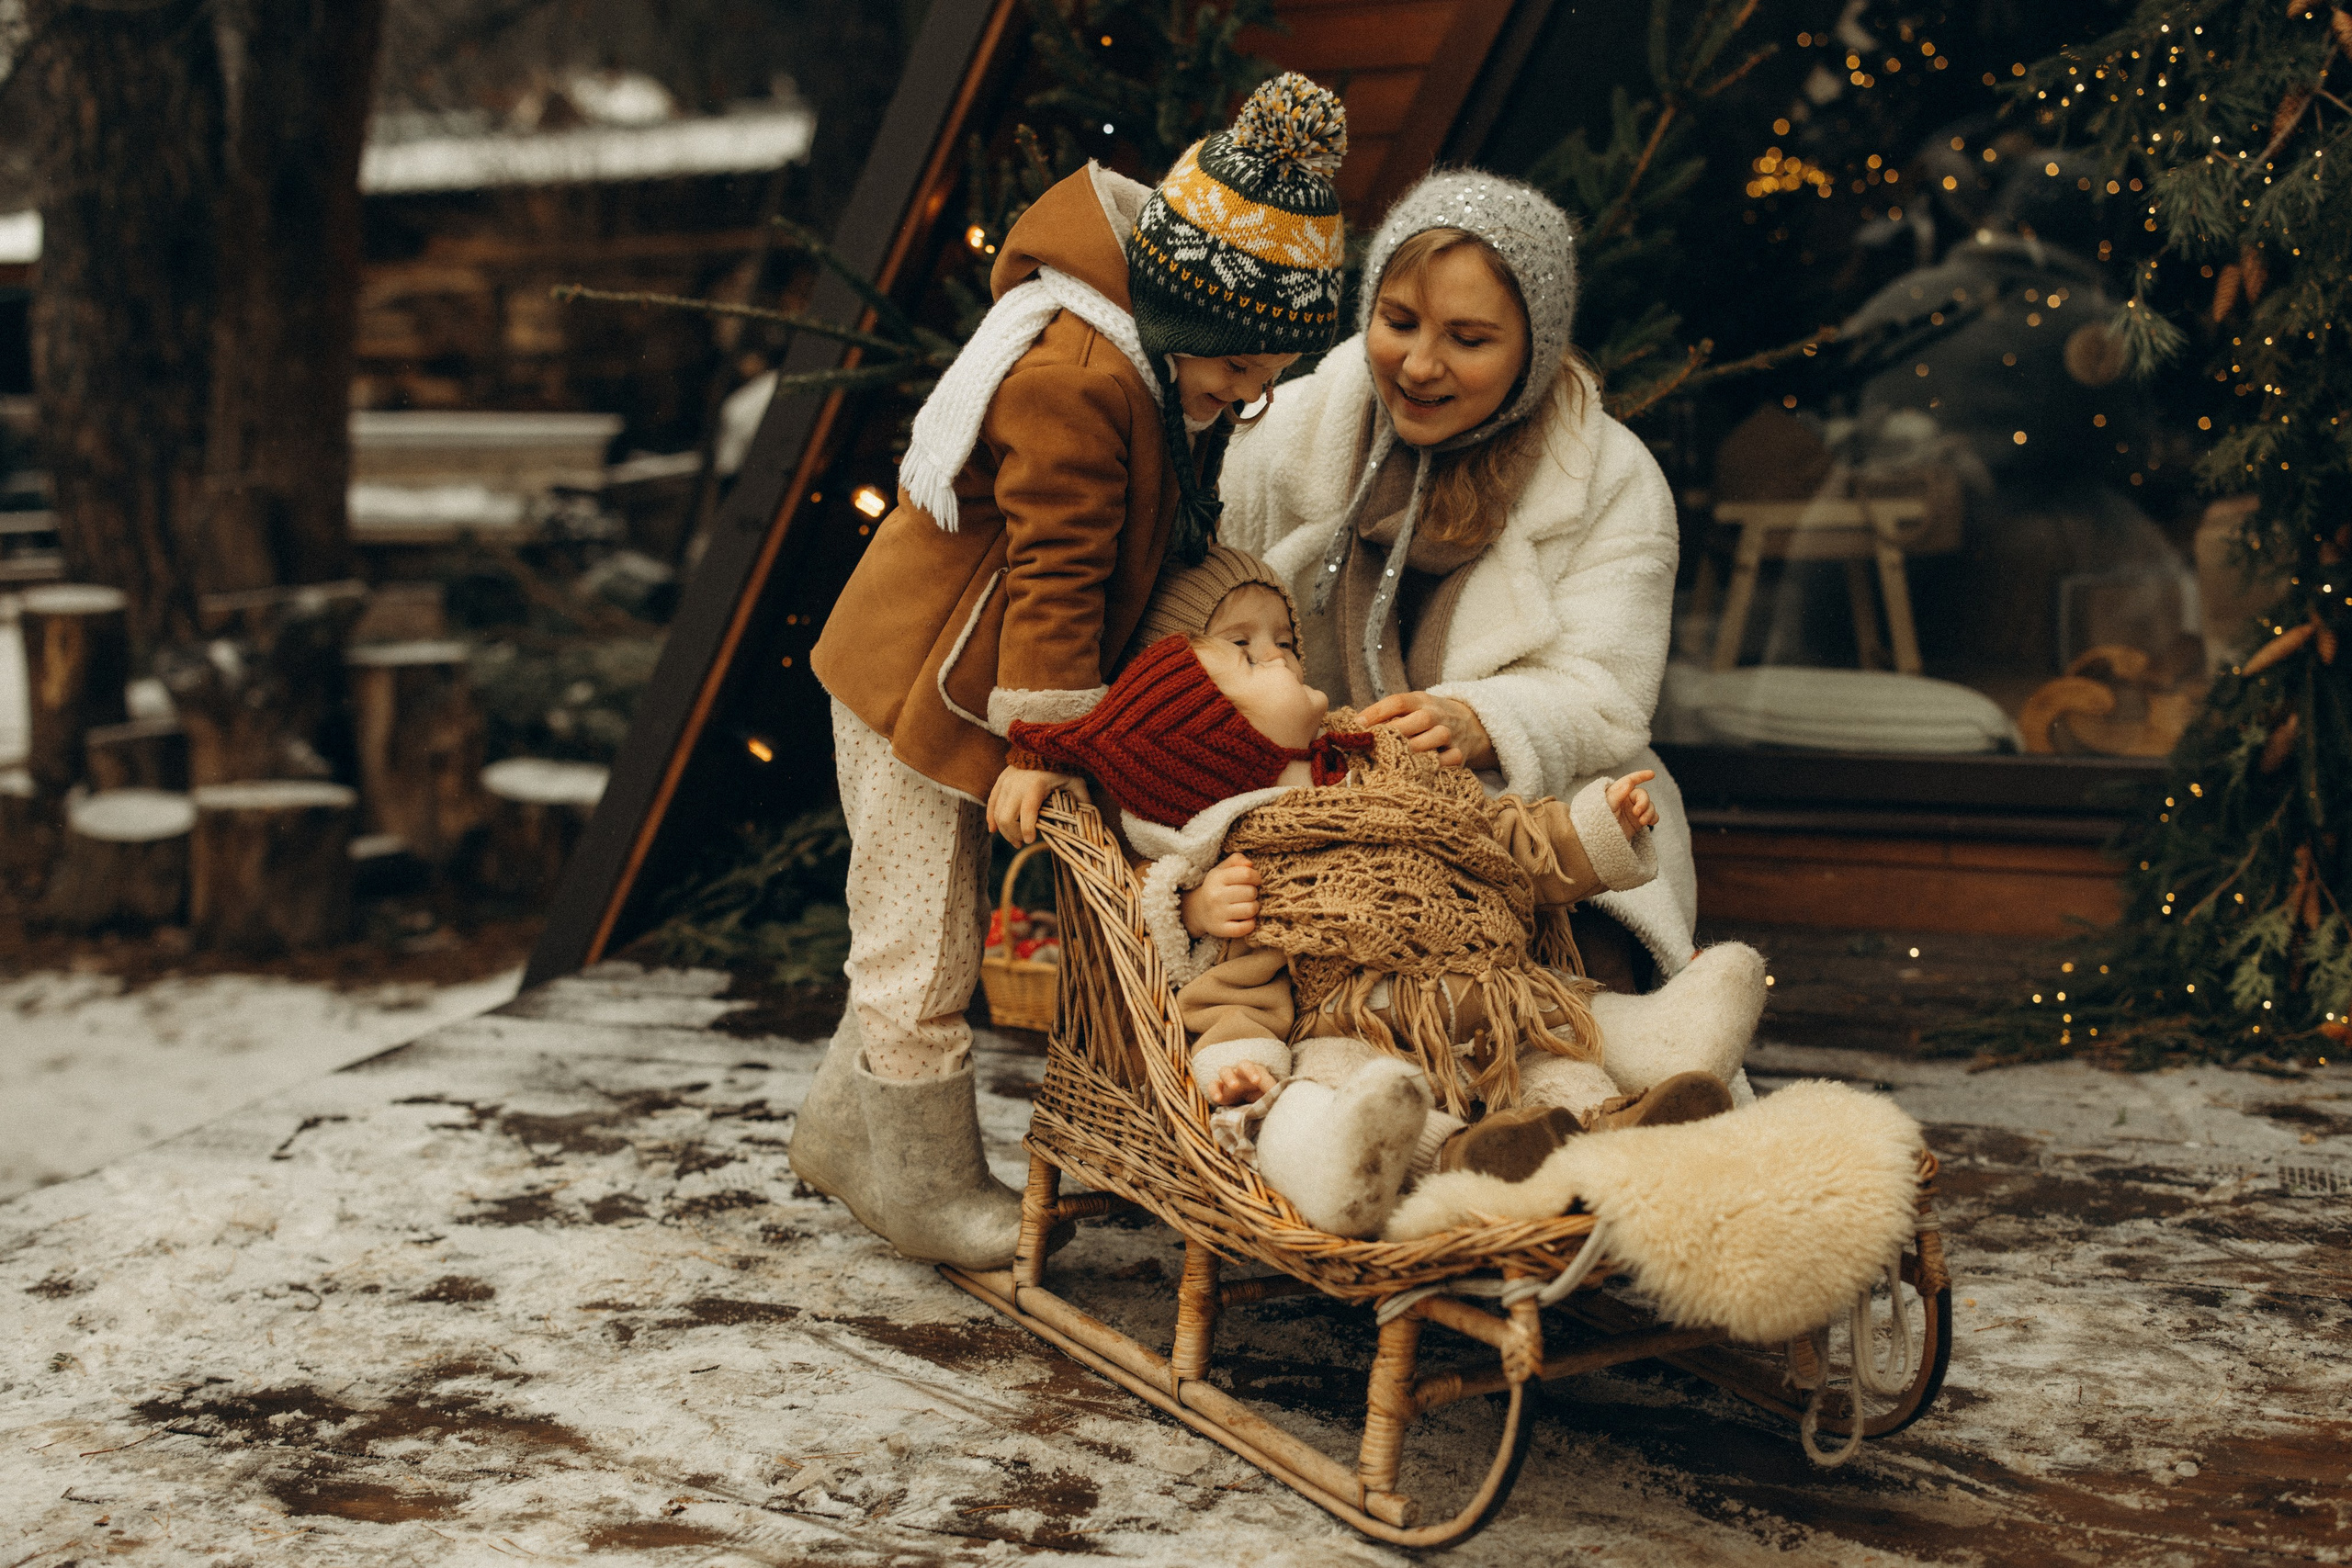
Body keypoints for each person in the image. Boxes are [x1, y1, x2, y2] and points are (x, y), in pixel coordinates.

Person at [790, 75, 1351, 1270]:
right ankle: (928, 1185)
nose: (1251, 394)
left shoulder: (1148, 362)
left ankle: (844, 1132)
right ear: (1192, 303)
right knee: (921, 942)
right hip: (913, 682)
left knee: (909, 930)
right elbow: (1056, 574)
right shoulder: (1080, 380)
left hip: (957, 674)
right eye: (1243, 364)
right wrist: (1043, 744)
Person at [1007, 626, 1752, 1237]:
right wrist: (1241, 1062)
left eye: (1266, 643)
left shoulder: (1392, 763)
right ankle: (1411, 1161)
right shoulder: (1260, 858)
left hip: (1499, 1004)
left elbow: (1500, 840)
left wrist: (1598, 824)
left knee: (1560, 1057)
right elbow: (1237, 985)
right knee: (1349, 1096)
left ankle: (1630, 1108)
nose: (1276, 652)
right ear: (1223, 737)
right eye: (1249, 658)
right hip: (1359, 1029)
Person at [1219, 171, 1702, 998]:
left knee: (1570, 963)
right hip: (1322, 805)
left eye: (1469, 340)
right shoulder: (1285, 432)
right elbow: (1204, 613)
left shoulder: (1610, 479)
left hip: (1529, 811)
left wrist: (1486, 720)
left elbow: (1609, 690)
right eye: (1397, 322)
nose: (1419, 364)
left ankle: (1630, 1062)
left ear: (1534, 348)